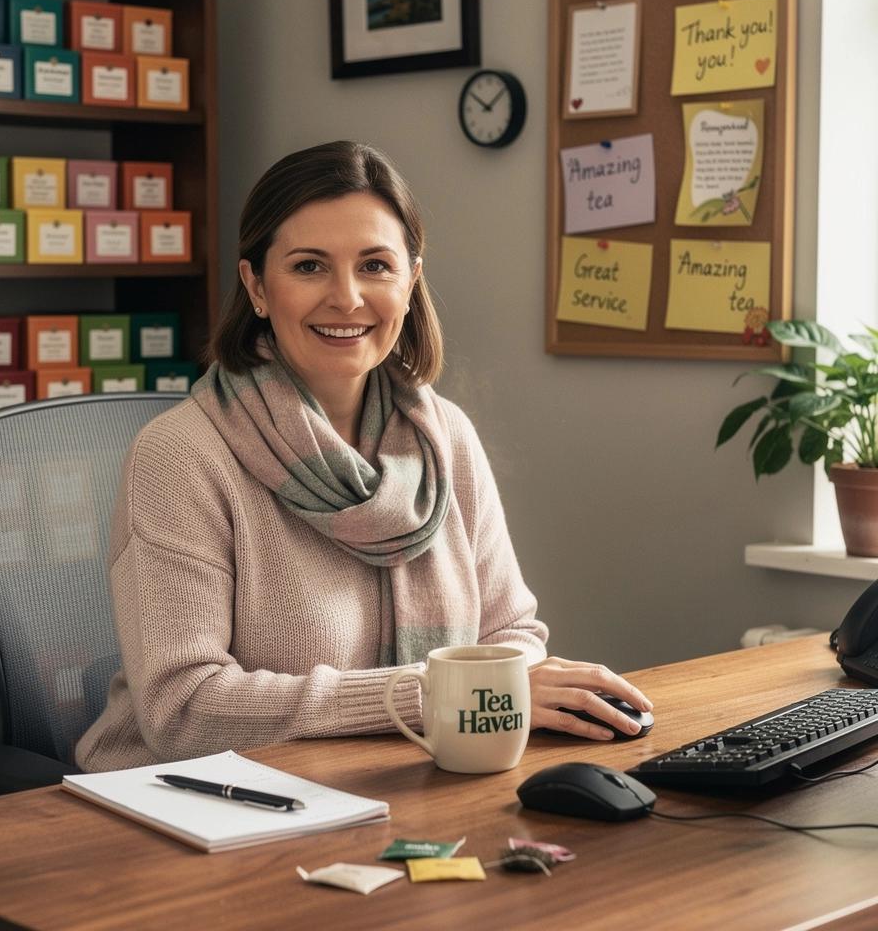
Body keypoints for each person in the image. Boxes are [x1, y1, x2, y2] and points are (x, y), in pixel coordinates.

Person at [75, 141, 651, 772]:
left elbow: (508, 636)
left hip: (390, 782)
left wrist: (506, 689)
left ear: (410, 282)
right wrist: (433, 697)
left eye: (375, 265)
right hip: (188, 809)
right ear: (256, 286)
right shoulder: (181, 456)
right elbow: (182, 711)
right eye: (309, 266)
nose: (347, 298)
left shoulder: (445, 437)